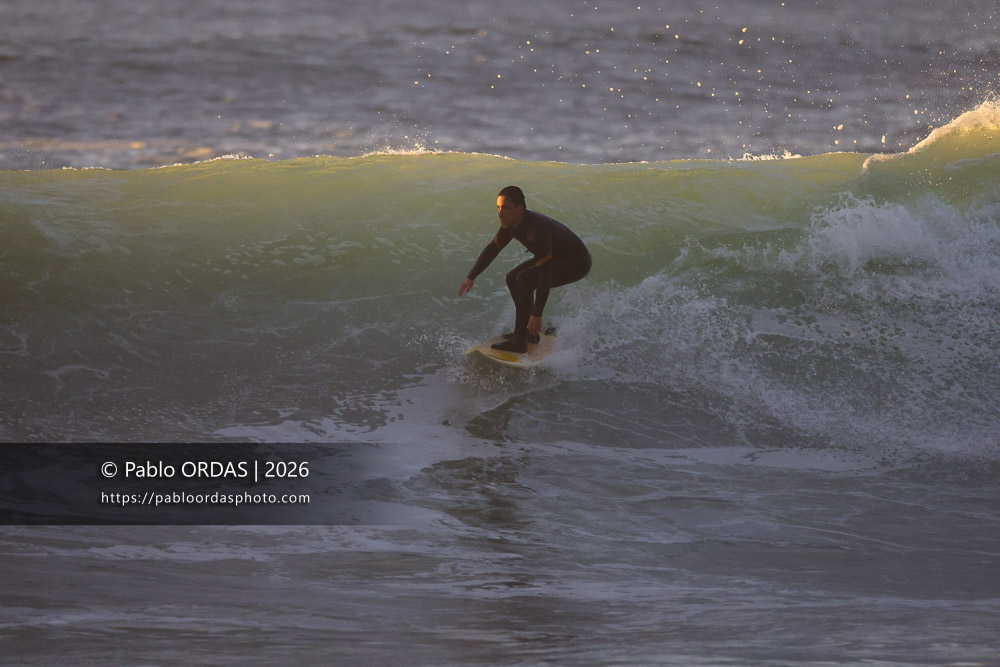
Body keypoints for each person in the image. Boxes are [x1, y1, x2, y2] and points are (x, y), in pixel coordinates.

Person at [459, 186, 591, 353]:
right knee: (512, 277)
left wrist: (537, 314)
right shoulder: (511, 224)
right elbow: (493, 248)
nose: (500, 213)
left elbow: (545, 276)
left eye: (505, 207)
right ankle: (527, 333)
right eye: (498, 207)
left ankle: (520, 341)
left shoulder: (535, 231)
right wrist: (471, 276)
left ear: (520, 209)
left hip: (576, 262)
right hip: (556, 256)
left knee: (524, 279)